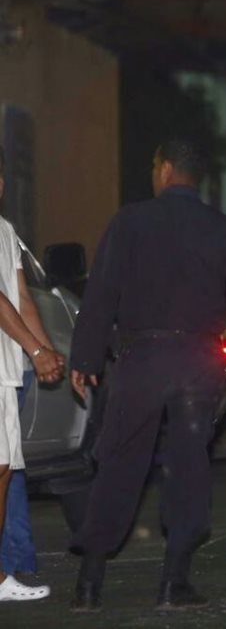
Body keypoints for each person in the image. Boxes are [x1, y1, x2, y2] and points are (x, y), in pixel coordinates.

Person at [68, 138, 226, 612]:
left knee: (119, 464)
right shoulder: (222, 229)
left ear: (164, 170)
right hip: (196, 363)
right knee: (188, 467)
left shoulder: (129, 221)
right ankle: (173, 583)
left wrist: (82, 359)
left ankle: (89, 583)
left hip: (141, 358)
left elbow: (101, 295)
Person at [0, 147, 65, 603]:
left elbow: (21, 296)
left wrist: (50, 353)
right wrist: (36, 347)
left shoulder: (5, 231)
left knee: (3, 469)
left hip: (6, 370)